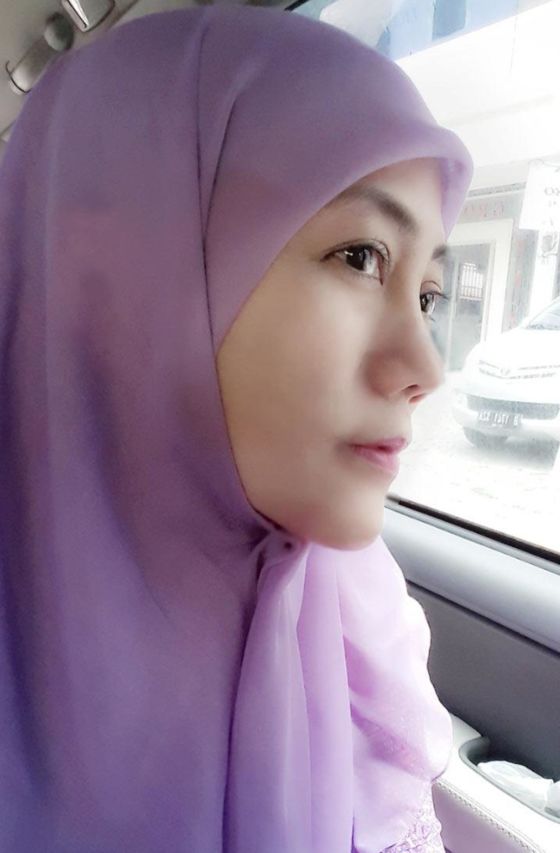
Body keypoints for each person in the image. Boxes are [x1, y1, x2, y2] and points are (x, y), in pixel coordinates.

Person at [0, 5, 471, 852]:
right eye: (362, 257)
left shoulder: (358, 629)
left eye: (429, 295)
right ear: (123, 279)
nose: (425, 368)